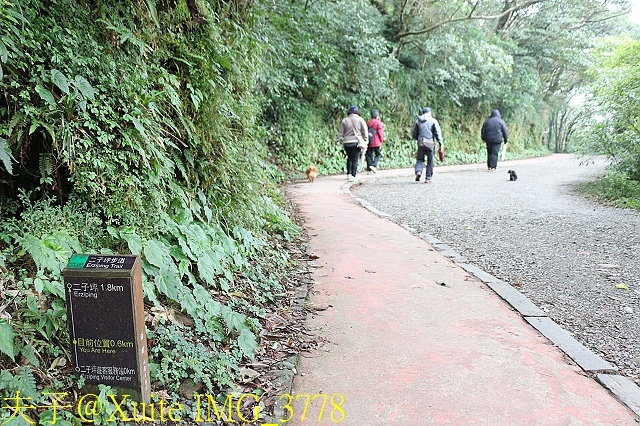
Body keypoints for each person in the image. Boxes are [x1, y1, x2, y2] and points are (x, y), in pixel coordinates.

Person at [412, 107, 443, 183]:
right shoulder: (433, 121)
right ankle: (428, 178)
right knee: (430, 160)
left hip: (421, 143)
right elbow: (437, 133)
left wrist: (418, 139)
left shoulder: (418, 121)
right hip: (430, 144)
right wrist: (440, 144)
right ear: (429, 113)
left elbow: (414, 134)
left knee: (420, 159)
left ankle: (418, 171)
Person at [337, 105, 368, 182]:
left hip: (346, 142)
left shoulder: (344, 120)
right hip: (356, 142)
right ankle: (353, 176)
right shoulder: (360, 120)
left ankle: (349, 174)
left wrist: (338, 140)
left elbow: (341, 132)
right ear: (357, 111)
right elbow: (364, 130)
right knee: (355, 159)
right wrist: (365, 140)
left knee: (349, 158)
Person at [365, 109, 385, 174]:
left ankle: (369, 170)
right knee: (378, 154)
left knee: (368, 155)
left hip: (369, 141)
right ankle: (373, 165)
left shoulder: (368, 122)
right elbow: (380, 132)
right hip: (376, 142)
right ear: (377, 116)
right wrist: (382, 139)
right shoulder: (378, 123)